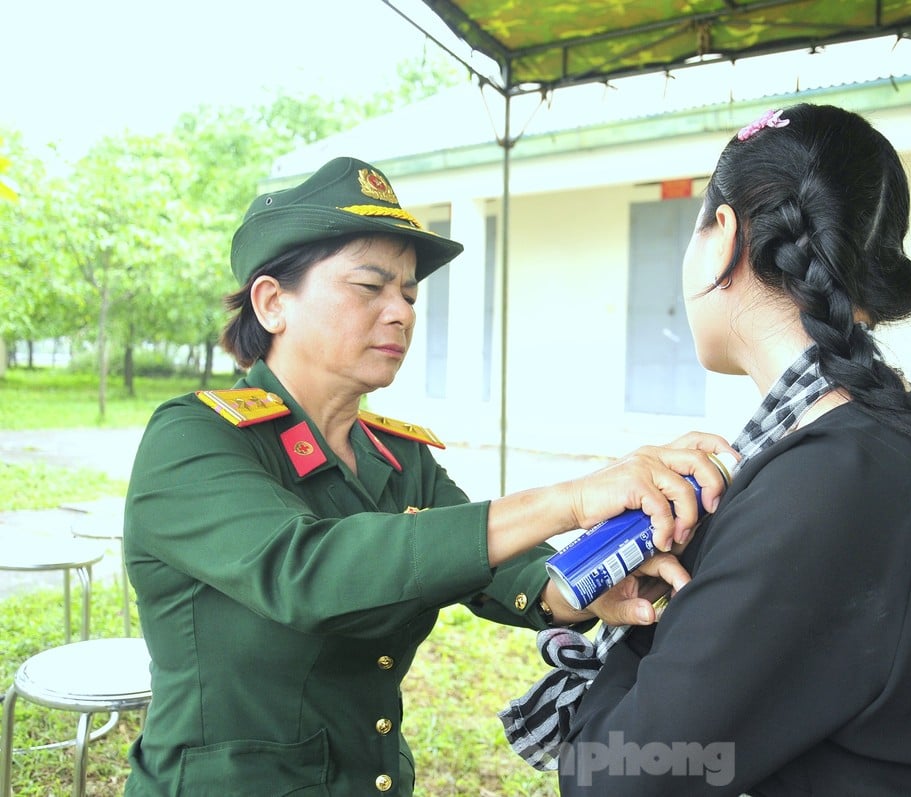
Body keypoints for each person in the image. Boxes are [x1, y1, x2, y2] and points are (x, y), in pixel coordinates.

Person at [121, 156, 732, 796]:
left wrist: (582, 587)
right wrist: (572, 499)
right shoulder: (195, 440)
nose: (402, 313)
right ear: (273, 302)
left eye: (409, 293)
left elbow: (493, 562)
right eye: (369, 287)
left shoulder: (394, 455)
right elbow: (308, 572)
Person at [510, 104, 911, 796]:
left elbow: (622, 775)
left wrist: (644, 629)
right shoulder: (871, 444)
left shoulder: (826, 483)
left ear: (723, 236)